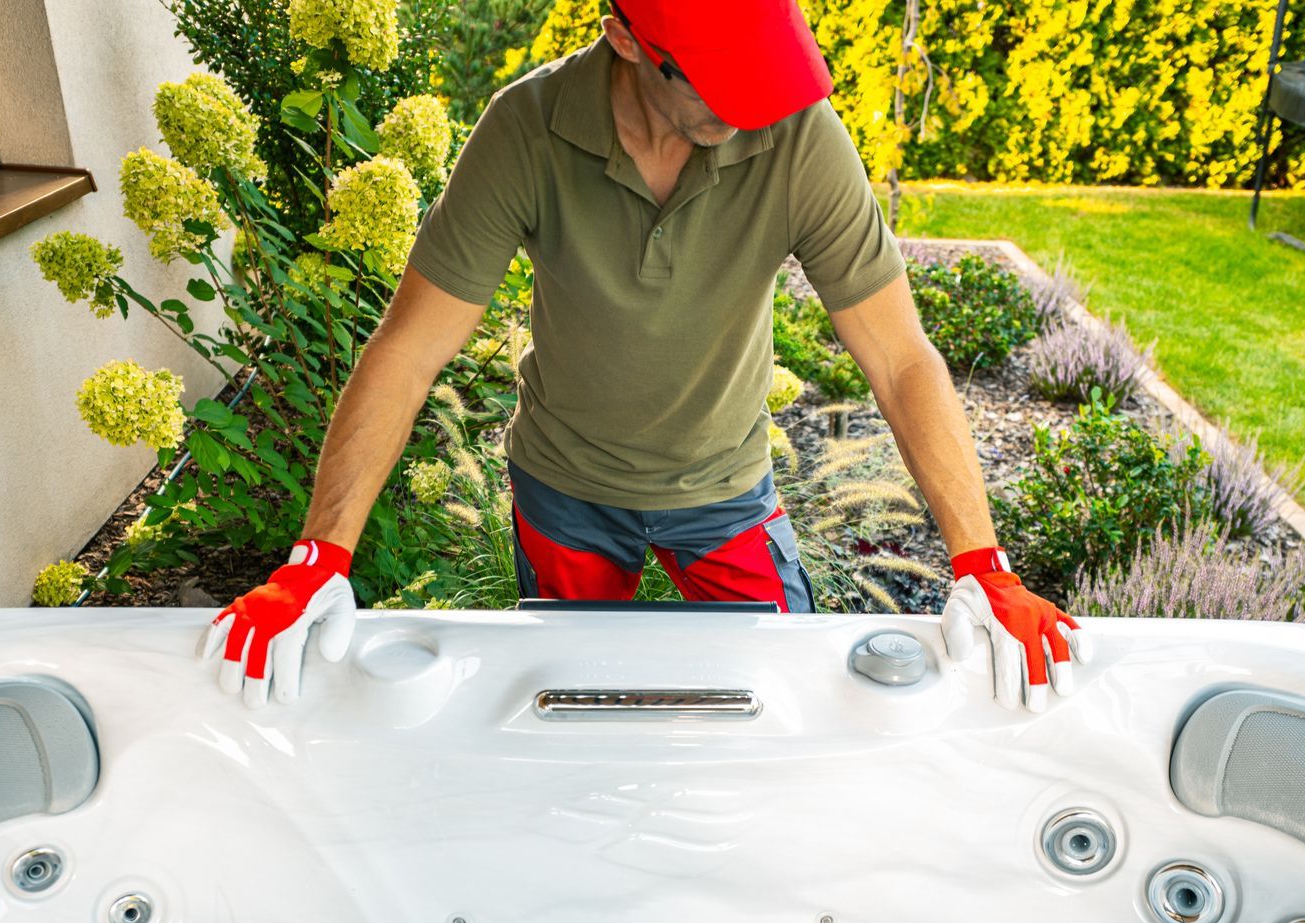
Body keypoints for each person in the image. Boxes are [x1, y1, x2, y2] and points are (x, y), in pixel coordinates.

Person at [199, 0, 1085, 710]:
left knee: (788, 705)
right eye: (720, 82)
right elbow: (409, 349)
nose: (748, 113)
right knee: (571, 709)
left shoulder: (797, 132)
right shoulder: (528, 130)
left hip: (725, 490)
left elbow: (900, 359)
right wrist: (319, 558)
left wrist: (983, 563)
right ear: (625, 34)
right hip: (567, 492)